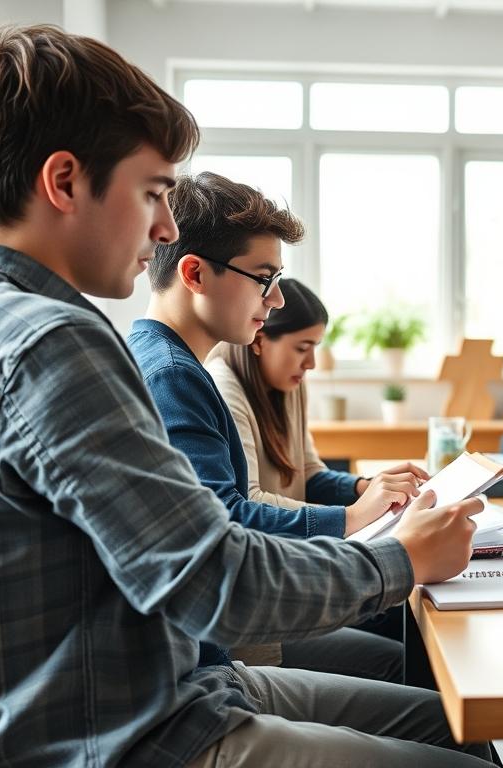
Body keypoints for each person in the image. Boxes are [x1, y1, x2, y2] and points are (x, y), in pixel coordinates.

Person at [0, 25, 494, 766]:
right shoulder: (48, 343)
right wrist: (401, 561)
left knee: (453, 726)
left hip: (144, 697)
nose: (165, 226)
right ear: (65, 182)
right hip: (115, 737)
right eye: (153, 193)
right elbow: (214, 580)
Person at [132, 174, 419, 681]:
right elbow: (229, 519)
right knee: (427, 692)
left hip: (215, 650)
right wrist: (351, 520)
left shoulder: (174, 365)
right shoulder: (176, 376)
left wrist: (363, 495)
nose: (277, 300)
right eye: (265, 278)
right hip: (217, 664)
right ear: (195, 274)